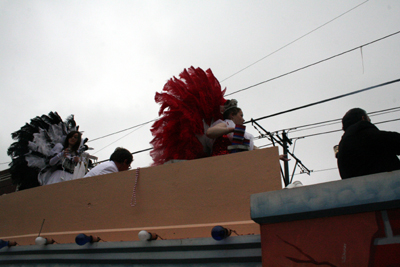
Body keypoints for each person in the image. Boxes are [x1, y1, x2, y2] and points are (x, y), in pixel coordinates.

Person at [336, 108, 400, 179]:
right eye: (369, 119)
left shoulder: (342, 150)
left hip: (360, 188)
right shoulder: (371, 135)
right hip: (390, 185)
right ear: (363, 118)